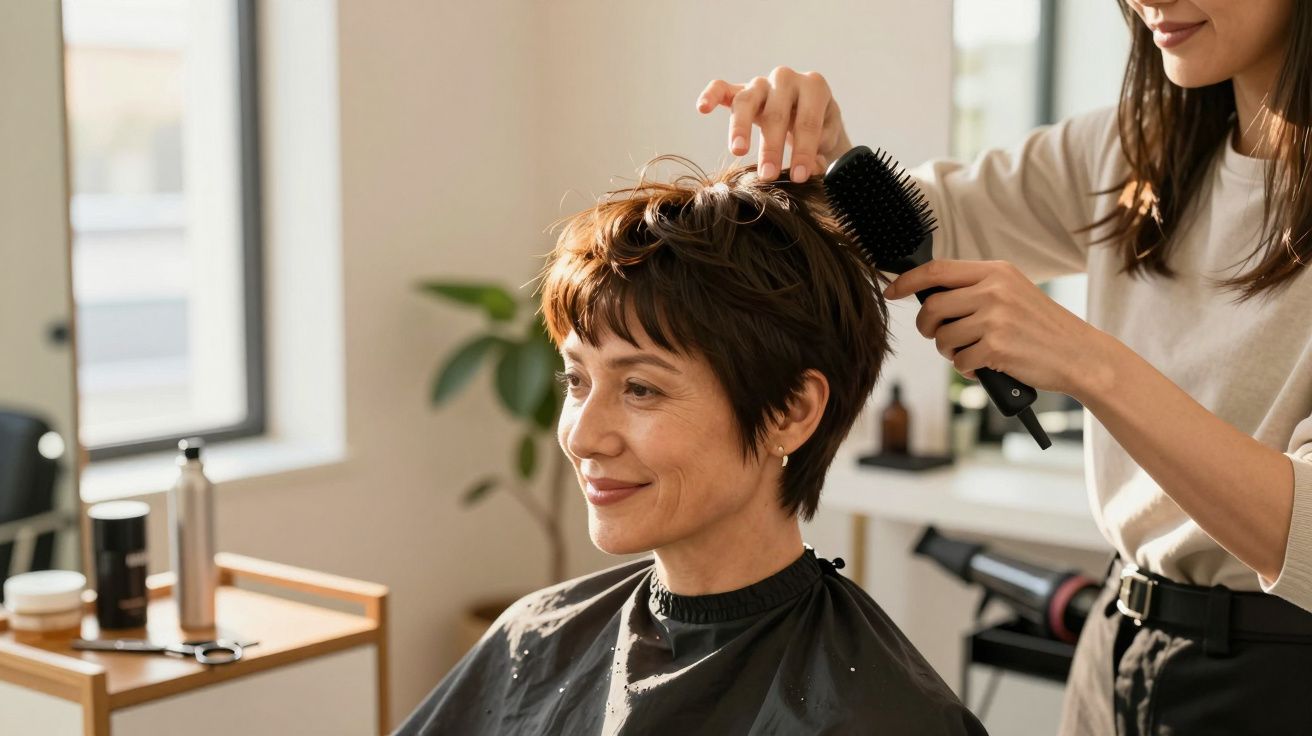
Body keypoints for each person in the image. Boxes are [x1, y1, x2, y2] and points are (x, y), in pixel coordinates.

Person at [695, 0, 1312, 733]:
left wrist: (1089, 363)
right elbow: (918, 231)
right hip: (1118, 641)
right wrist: (826, 157)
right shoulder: (1136, 148)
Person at [394, 160, 987, 735]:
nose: (581, 435)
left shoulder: (875, 717)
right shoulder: (536, 635)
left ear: (790, 410)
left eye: (641, 388)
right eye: (576, 380)